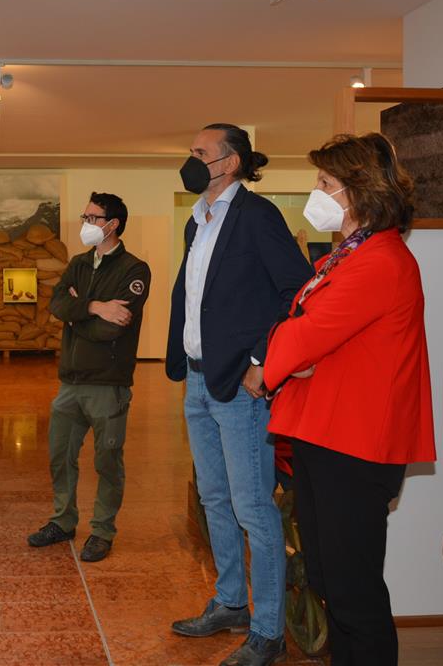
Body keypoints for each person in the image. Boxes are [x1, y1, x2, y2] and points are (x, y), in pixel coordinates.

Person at [262, 133, 435, 665]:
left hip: (356, 445)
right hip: (328, 435)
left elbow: (302, 336)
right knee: (328, 578)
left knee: (353, 591)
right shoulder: (350, 254)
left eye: (325, 183)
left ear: (359, 190)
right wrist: (295, 342)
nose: (317, 193)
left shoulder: (380, 261)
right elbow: (301, 324)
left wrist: (290, 345)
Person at [166, 124, 313, 666]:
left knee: (252, 506)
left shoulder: (257, 216)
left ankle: (268, 630)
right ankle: (230, 602)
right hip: (199, 380)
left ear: (229, 163)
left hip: (239, 385)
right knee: (214, 499)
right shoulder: (197, 220)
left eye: (200, 153)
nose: (190, 160)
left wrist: (261, 360)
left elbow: (297, 291)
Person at [27, 192, 151, 563]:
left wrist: (75, 315)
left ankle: (102, 531)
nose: (86, 224)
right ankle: (63, 521)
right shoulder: (79, 263)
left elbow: (113, 328)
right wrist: (95, 307)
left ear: (112, 225)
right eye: (85, 216)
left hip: (108, 384)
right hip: (70, 382)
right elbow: (57, 304)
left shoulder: (134, 270)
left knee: (107, 461)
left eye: (92, 218)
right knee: (60, 455)